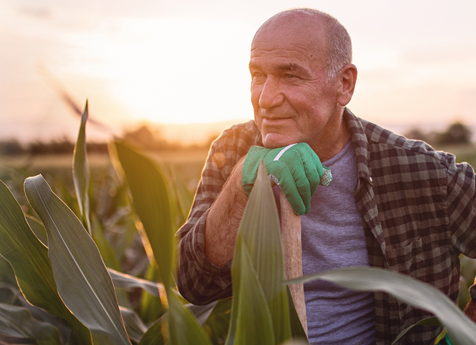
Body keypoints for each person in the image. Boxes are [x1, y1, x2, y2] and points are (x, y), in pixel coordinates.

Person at [176, 8, 476, 344]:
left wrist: (465, 332)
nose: (265, 98)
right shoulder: (234, 149)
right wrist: (245, 181)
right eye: (258, 75)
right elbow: (194, 284)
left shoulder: (420, 172)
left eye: (291, 76)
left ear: (344, 85)